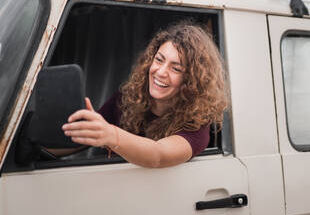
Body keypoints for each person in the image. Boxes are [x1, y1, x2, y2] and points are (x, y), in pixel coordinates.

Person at [61, 22, 229, 168]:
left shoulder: (197, 127)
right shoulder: (127, 98)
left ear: (192, 81)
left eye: (176, 68)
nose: (161, 72)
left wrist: (111, 135)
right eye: (159, 60)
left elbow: (158, 155)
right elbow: (82, 139)